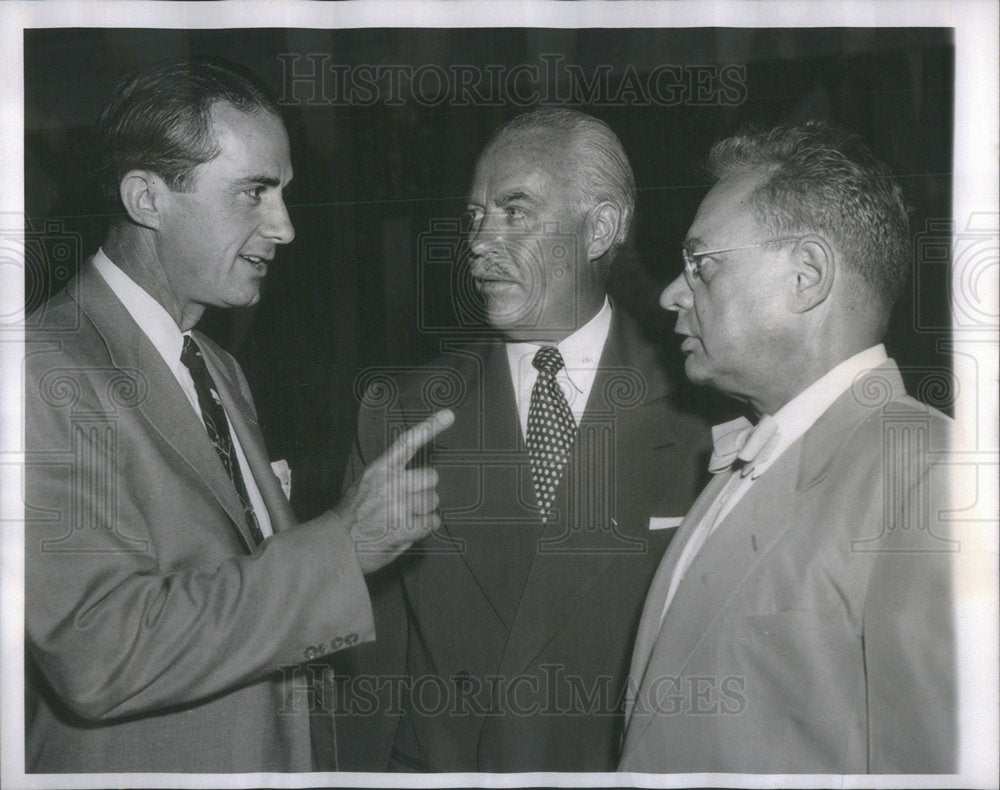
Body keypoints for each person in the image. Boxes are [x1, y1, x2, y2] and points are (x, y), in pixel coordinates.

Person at [24, 58, 451, 773]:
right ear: (147, 198)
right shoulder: (43, 369)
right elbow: (98, 653)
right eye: (254, 192)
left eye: (283, 194)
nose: (284, 227)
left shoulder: (215, 364)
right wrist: (342, 546)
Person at [327, 108, 710, 772]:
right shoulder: (401, 415)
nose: (479, 243)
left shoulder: (707, 412)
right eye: (475, 217)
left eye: (515, 212)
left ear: (601, 228)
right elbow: (367, 681)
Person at [618, 122, 957, 774]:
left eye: (701, 264)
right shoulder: (742, 464)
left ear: (807, 275)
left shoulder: (928, 474)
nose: (671, 293)